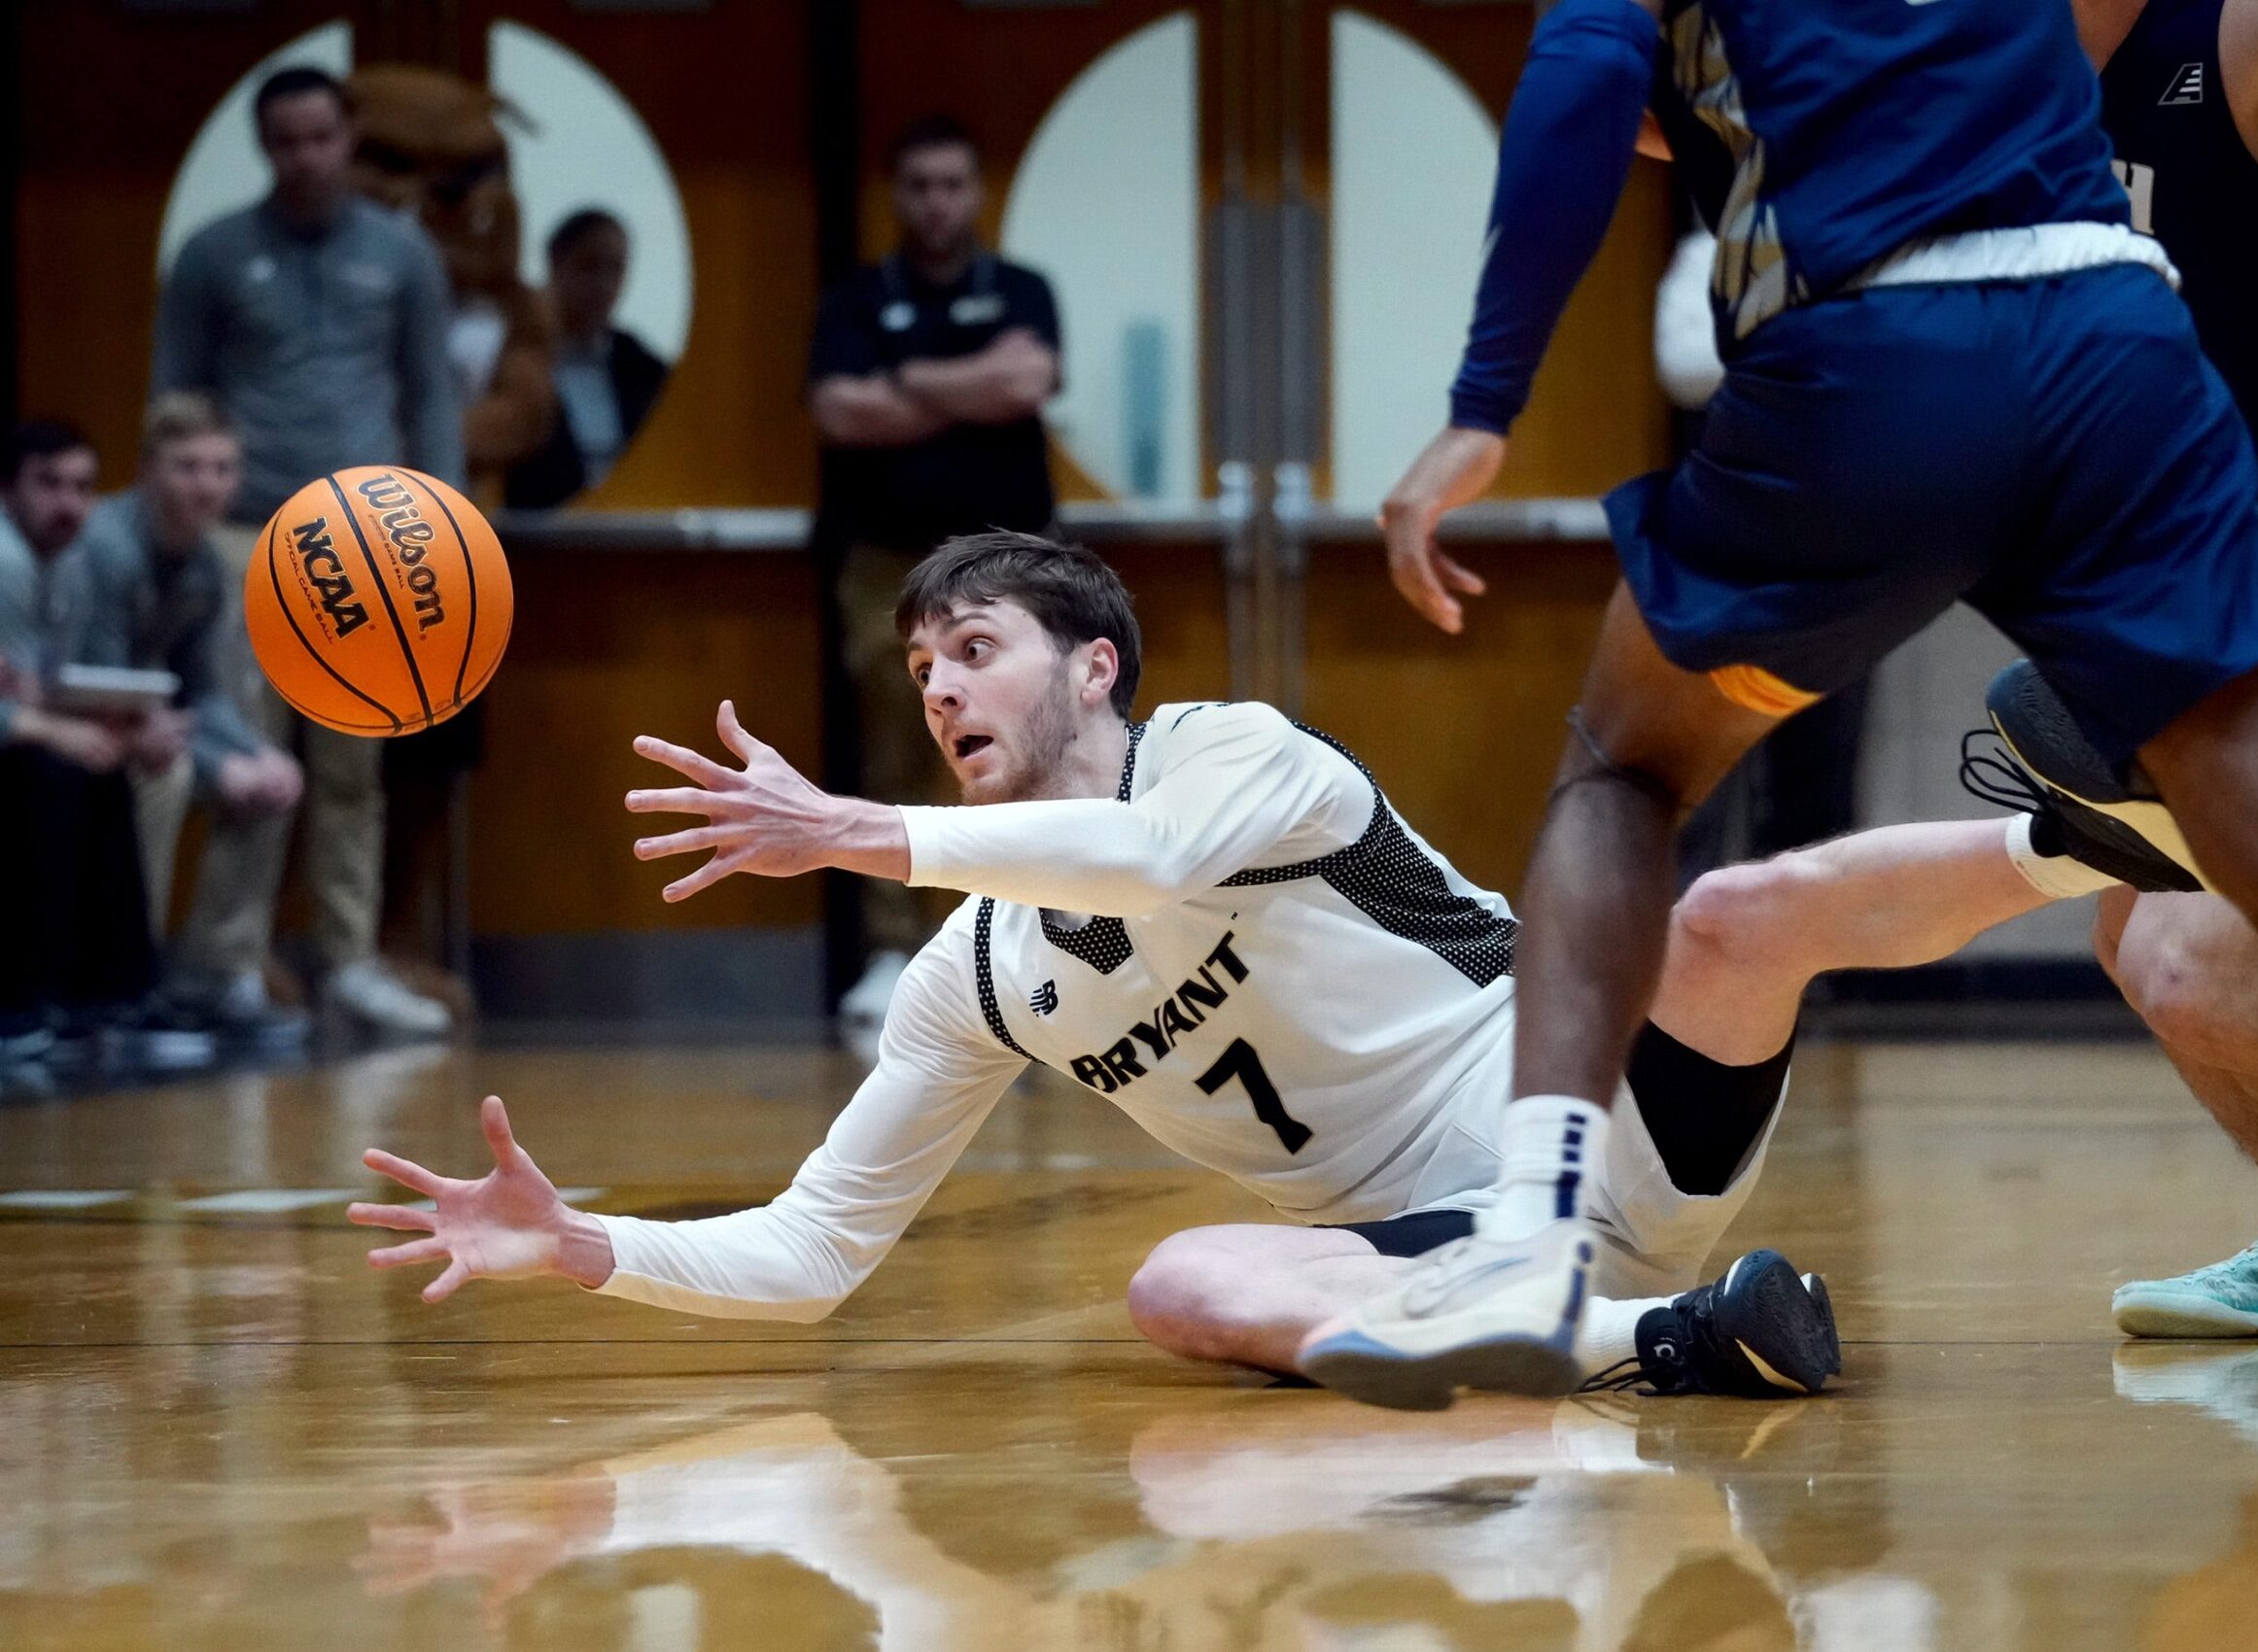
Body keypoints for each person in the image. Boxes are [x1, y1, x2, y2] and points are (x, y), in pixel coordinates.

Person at [1308, 0, 2258, 1408]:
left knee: (1630, 777)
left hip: (2215, 498)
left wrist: (1484, 402)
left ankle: (1529, 1235)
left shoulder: (2248, 23)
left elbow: (1585, 82)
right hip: (2130, 401)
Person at [349, 533, 1842, 1401]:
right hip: (1434, 1238)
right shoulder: (975, 975)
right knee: (1178, 1284)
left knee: (1749, 905)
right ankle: (1683, 1342)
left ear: (1093, 668)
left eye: (974, 650)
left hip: (1594, 1122)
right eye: (922, 670)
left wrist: (860, 833)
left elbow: (1160, 864)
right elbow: (814, 1250)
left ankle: (2060, 832)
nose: (938, 687)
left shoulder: (1228, 756)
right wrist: (585, 1248)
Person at [152, 63, 460, 1040]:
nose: (305, 157)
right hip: (244, 529)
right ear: (263, 146)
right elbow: (175, 395)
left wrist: (446, 529)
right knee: (247, 753)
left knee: (349, 766)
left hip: (367, 535)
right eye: (285, 141)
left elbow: (431, 394)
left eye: (321, 137)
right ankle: (230, 961)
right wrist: (178, 528)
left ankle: (351, 958)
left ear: (348, 135)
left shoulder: (403, 255)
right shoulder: (211, 254)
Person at [808, 115, 1062, 1049]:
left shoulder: (1023, 289)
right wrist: (969, 385)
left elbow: (1027, 379)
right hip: (889, 563)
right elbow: (841, 411)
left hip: (1014, 563)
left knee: (1028, 749)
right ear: (895, 193)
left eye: (953, 184)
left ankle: (1027, 931)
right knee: (899, 748)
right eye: (919, 185)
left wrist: (908, 383)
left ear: (977, 192)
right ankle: (892, 950)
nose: (937, 202)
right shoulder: (855, 299)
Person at [0, 422, 208, 1073]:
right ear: (9, 491)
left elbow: (32, 685)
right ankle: (22, 1001)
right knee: (57, 772)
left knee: (99, 766)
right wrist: (53, 727)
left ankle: (108, 994)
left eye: (83, 487)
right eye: (49, 484)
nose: (68, 503)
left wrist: (110, 726)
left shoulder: (64, 562)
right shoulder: (4, 560)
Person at [72, 396, 303, 941]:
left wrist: (254, 752)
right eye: (188, 468)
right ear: (147, 471)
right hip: (80, 719)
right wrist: (215, 765)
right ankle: (131, 968)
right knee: (166, 774)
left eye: (223, 469)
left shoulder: (204, 566)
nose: (208, 486)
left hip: (141, 722)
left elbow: (202, 690)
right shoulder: (107, 548)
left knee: (274, 781)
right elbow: (104, 689)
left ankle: (218, 971)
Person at [504, 209, 672, 510]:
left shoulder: (644, 368)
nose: (603, 284)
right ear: (555, 263)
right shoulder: (514, 354)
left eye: (616, 269)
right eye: (588, 266)